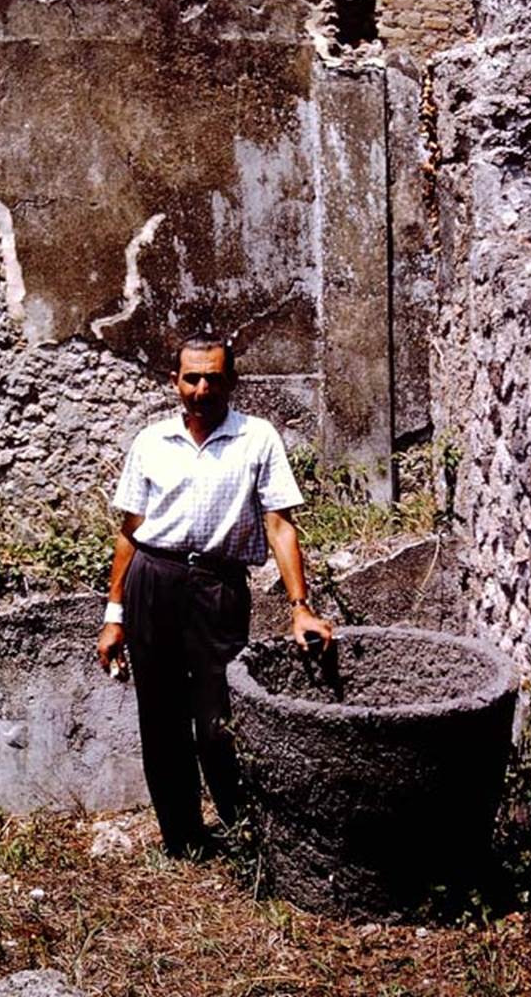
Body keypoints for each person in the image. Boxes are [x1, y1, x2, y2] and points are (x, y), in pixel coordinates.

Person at [96, 335, 332, 857]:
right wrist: (114, 615)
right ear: (175, 381)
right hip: (152, 581)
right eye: (191, 378)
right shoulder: (151, 442)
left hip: (218, 589)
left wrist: (300, 607)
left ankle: (244, 833)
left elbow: (279, 524)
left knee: (218, 723)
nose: (202, 389)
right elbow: (129, 532)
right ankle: (183, 841)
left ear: (231, 381)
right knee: (160, 720)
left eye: (213, 378)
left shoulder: (256, 438)